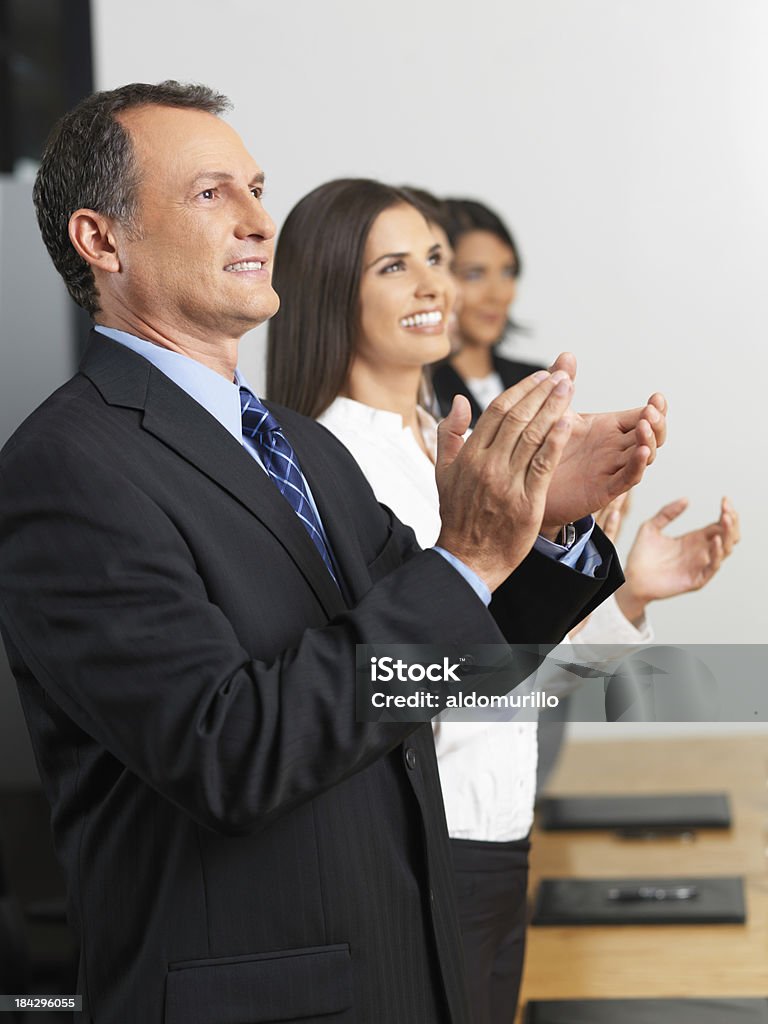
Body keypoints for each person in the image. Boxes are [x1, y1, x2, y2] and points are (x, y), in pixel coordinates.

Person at [0, 84, 665, 1024]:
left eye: (258, 188)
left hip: (412, 969)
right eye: (210, 194)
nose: (258, 220)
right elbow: (229, 750)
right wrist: (467, 554)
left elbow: (450, 668)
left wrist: (537, 524)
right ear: (100, 241)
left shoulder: (299, 448)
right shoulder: (67, 467)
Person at [266, 179, 735, 1024]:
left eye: (438, 260)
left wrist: (619, 592)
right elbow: (385, 685)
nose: (434, 285)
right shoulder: (322, 460)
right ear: (331, 286)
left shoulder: (461, 444)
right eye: (395, 266)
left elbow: (507, 684)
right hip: (410, 846)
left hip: (498, 837)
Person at [431, 197, 541, 424]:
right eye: (474, 275)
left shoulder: (534, 380)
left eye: (507, 272)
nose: (497, 294)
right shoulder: (421, 389)